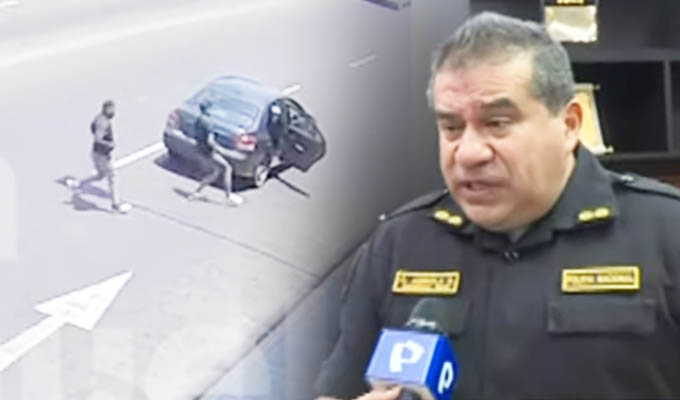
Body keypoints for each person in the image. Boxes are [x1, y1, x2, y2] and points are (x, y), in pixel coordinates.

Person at [314, 11, 680, 400]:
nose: (468, 153)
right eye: (451, 127)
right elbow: (337, 389)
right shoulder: (397, 244)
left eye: (497, 123)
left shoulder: (666, 232)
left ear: (570, 124)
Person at [66, 100, 131, 214]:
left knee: (100, 175)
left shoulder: (98, 118)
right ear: (106, 109)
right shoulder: (103, 123)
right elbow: (97, 138)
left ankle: (78, 184)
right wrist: (110, 144)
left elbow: (93, 129)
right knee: (113, 177)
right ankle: (115, 204)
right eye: (112, 109)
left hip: (96, 153)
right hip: (103, 156)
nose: (114, 112)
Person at [187, 99, 244, 206]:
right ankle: (229, 196)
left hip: (200, 149)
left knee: (215, 172)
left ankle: (196, 192)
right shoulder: (208, 122)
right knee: (227, 168)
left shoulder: (198, 120)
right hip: (209, 151)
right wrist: (221, 150)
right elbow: (210, 141)